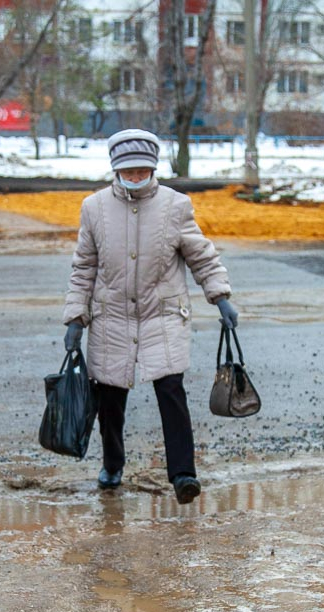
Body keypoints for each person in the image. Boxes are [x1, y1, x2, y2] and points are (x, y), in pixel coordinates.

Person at [62, 128, 237, 505]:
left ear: (153, 169)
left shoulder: (175, 206)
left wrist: (220, 296)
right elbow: (84, 268)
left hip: (163, 316)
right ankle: (112, 464)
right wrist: (76, 317)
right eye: (130, 170)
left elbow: (200, 255)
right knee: (109, 399)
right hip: (112, 319)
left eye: (143, 170)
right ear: (116, 168)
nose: (137, 177)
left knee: (171, 392)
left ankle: (183, 473)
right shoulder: (94, 208)